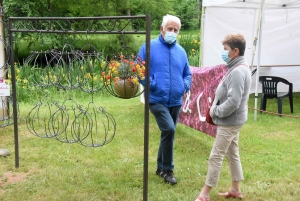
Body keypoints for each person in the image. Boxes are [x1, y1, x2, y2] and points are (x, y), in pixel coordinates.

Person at [195, 34, 251, 201]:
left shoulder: (238, 71)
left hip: (230, 121)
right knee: (232, 153)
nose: (223, 52)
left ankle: (205, 194)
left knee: (216, 155)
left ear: (235, 51)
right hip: (234, 120)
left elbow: (234, 101)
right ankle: (235, 189)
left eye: (225, 49)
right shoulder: (238, 67)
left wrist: (215, 111)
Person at [138, 14, 192, 185]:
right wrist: (151, 84)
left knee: (167, 133)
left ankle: (160, 167)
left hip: (175, 99)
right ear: (162, 29)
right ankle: (168, 170)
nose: (173, 32)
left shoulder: (181, 51)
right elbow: (139, 68)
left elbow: (187, 73)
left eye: (176, 30)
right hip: (156, 98)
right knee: (169, 129)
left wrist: (184, 86)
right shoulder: (149, 47)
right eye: (170, 29)